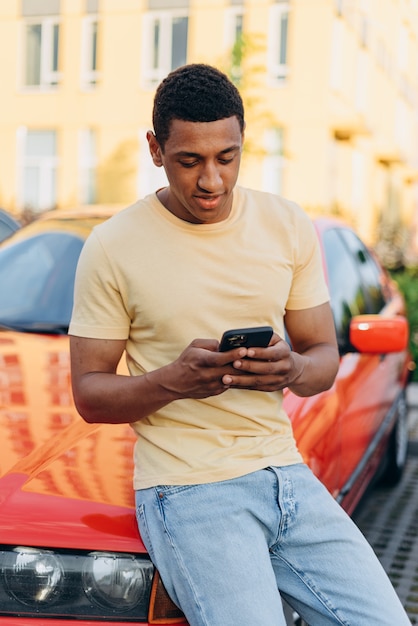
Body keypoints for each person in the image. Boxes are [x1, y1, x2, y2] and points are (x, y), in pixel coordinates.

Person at [69, 63, 411, 626]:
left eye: (226, 158)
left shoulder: (287, 224)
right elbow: (89, 393)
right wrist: (172, 381)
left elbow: (322, 359)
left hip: (287, 474)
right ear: (155, 149)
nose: (211, 181)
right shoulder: (113, 247)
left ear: (242, 143)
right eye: (190, 160)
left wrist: (291, 367)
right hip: (188, 490)